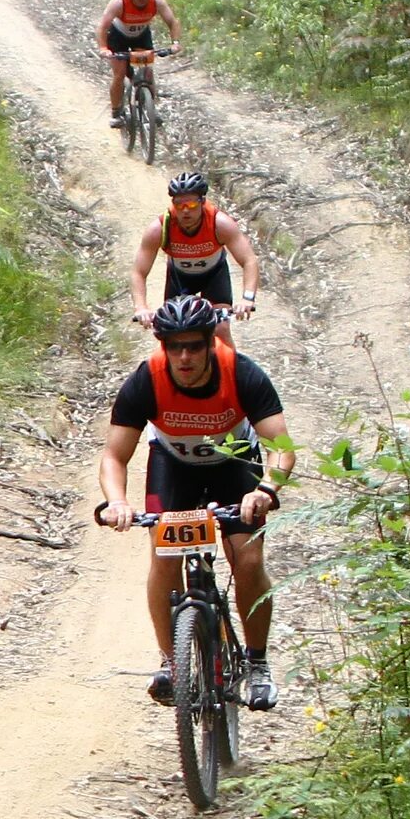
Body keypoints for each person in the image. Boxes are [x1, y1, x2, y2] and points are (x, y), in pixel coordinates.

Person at [94, 293, 295, 711]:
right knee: (164, 558)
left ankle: (257, 663)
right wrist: (116, 502)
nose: (184, 357)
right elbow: (114, 456)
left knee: (249, 559)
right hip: (175, 468)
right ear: (162, 346)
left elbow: (282, 448)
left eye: (194, 346)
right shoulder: (146, 380)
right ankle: (173, 661)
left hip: (235, 466)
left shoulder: (242, 374)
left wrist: (266, 491)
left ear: (210, 343)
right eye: (174, 347)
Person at [132, 172, 258, 342]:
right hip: (180, 279)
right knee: (173, 334)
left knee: (220, 328)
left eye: (191, 204)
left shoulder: (219, 224)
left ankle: (231, 368)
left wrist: (247, 298)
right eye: (179, 204)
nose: (185, 211)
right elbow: (139, 271)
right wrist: (141, 307)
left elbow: (249, 260)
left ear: (203, 202)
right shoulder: (160, 228)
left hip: (214, 277)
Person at [95, 0, 185, 125]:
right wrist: (104, 48)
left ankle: (150, 108)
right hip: (118, 36)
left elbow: (172, 22)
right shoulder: (119, 2)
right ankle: (116, 112)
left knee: (147, 71)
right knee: (120, 73)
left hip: (141, 35)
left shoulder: (157, 1)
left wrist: (175, 43)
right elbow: (102, 27)